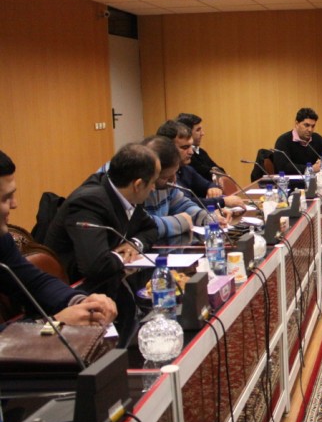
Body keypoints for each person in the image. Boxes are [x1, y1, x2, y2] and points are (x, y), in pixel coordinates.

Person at [45, 143, 160, 341]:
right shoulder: (89, 202)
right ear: (138, 184)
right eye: (153, 182)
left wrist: (134, 244)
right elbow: (95, 265)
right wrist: (121, 256)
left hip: (108, 286)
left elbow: (151, 229)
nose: (154, 188)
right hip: (73, 293)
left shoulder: (124, 194)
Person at [0, 150, 117, 326]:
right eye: (5, 198)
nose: (15, 204)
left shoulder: (2, 240)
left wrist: (80, 302)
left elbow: (35, 283)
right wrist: (53, 323)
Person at [142, 136, 227, 238]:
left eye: (175, 173)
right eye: (166, 177)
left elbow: (183, 205)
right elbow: (144, 225)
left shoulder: (168, 185)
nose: (174, 180)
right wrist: (181, 222)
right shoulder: (139, 192)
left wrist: (207, 217)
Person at [156, 120, 243, 210]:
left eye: (191, 146)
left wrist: (213, 188)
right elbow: (186, 203)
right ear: (167, 148)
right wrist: (222, 201)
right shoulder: (164, 175)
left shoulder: (186, 169)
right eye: (185, 147)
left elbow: (207, 184)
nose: (191, 152)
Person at [273, 108, 322, 175]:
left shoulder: (316, 138)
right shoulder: (283, 140)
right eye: (306, 125)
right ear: (297, 124)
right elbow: (282, 167)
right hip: (291, 180)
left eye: (313, 126)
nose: (310, 130)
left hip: (312, 180)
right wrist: (310, 169)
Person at [176, 112, 223, 183]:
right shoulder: (186, 156)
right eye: (198, 130)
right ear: (187, 132)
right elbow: (206, 174)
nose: (202, 133)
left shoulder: (201, 151)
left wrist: (213, 171)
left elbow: (221, 172)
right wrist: (213, 171)